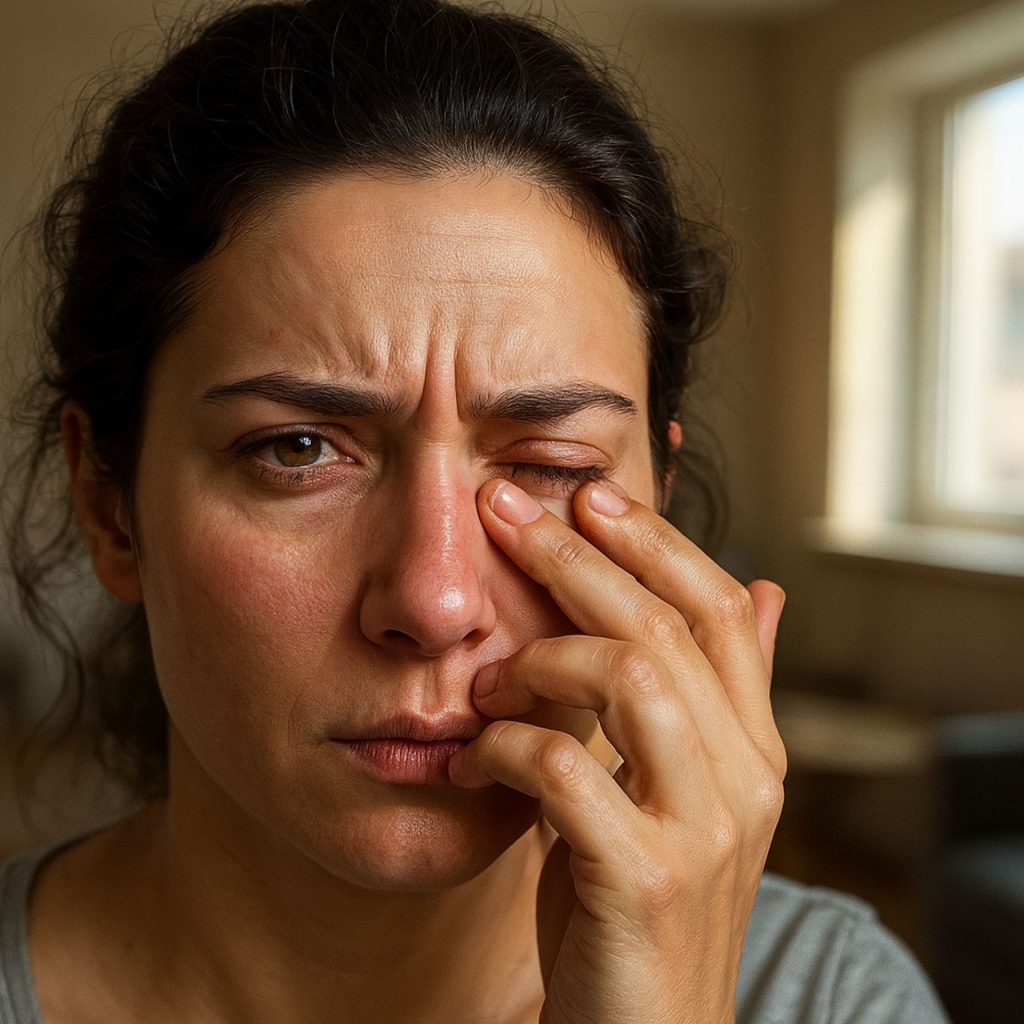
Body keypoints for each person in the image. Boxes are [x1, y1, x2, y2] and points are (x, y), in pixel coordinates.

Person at [0, 1, 950, 1021]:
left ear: (658, 511)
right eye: (297, 449)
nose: (436, 600)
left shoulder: (841, 998)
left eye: (548, 465)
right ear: (109, 506)